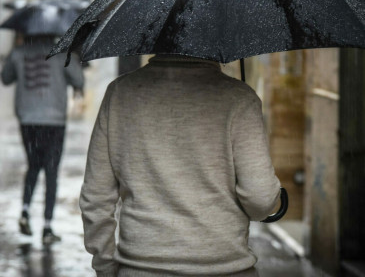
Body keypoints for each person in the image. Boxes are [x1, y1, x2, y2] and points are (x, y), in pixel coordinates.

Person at [80, 55, 280, 277]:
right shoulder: (240, 98)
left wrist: (106, 267)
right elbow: (260, 199)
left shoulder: (119, 94)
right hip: (226, 269)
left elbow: (95, 198)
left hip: (141, 269)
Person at [1, 35, 84, 245]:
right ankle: (47, 227)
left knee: (33, 165)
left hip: (28, 120)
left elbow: (6, 78)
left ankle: (25, 212)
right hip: (54, 122)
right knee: (51, 170)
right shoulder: (62, 53)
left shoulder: (19, 53)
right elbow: (79, 80)